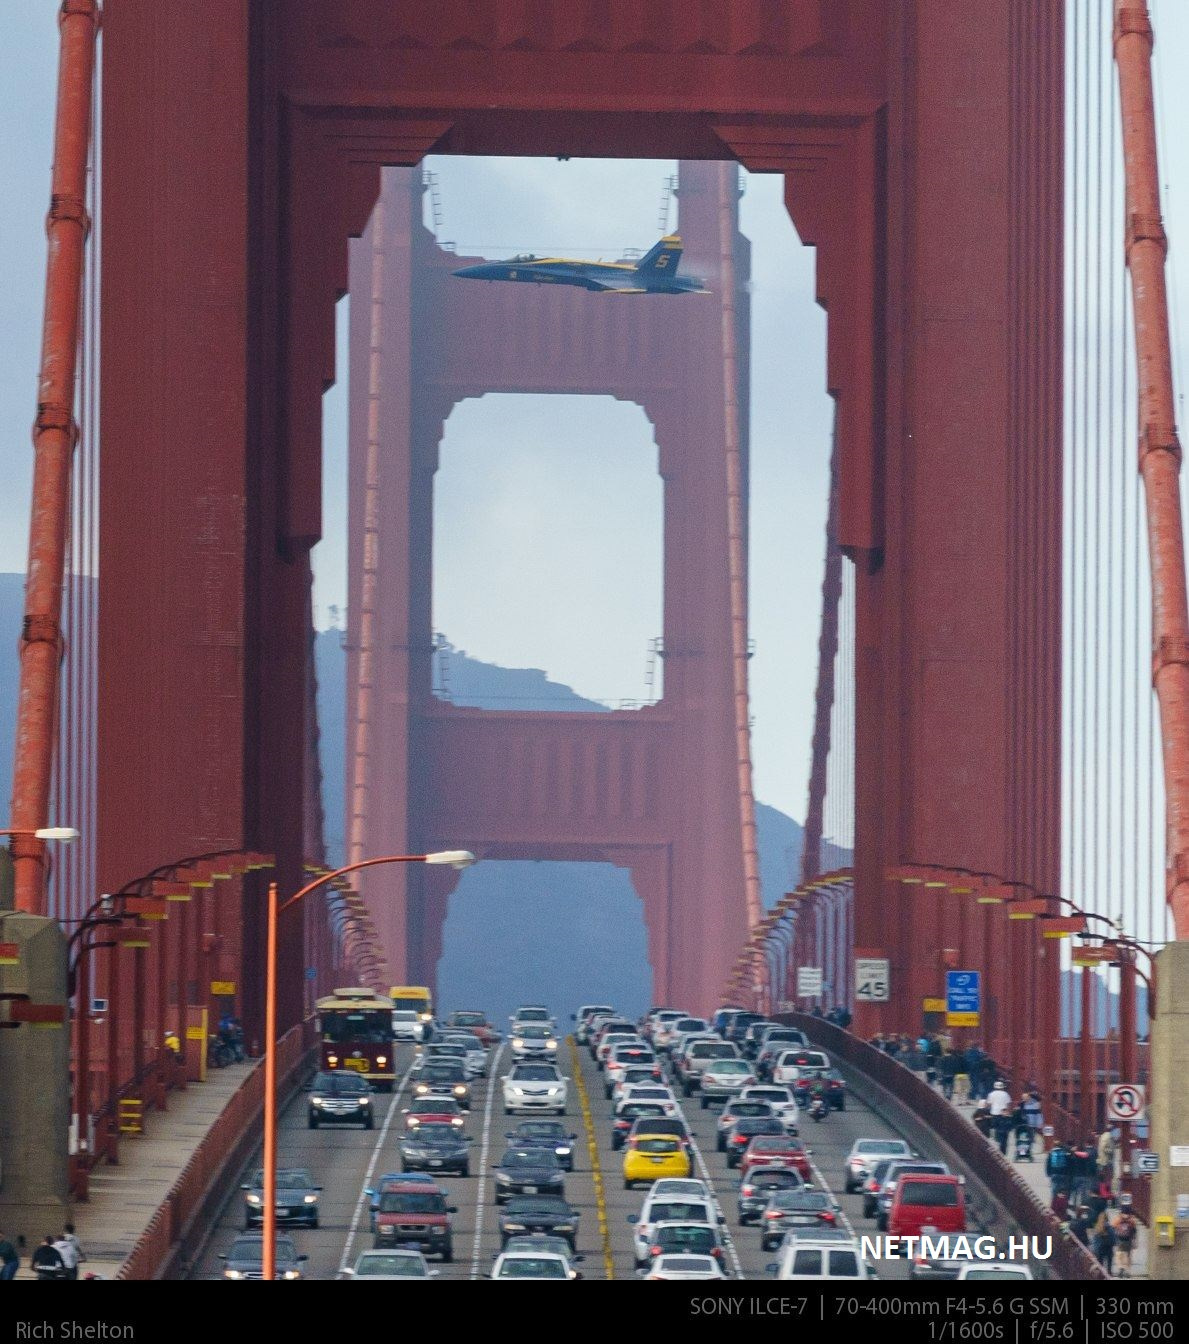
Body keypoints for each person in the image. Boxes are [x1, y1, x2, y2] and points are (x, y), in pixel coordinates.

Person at [1113, 1207, 1138, 1278]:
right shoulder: (1132, 1220)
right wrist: (1135, 1241)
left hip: (1120, 1240)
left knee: (1119, 1255)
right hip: (1128, 1240)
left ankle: (1121, 1269)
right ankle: (1127, 1271)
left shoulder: (1118, 1219)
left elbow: (1113, 1227)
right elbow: (1134, 1231)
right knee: (1128, 1256)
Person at [1091, 1206, 1115, 1274]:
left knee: (1100, 1267)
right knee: (1109, 1266)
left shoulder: (1097, 1228)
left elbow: (1095, 1241)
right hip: (1109, 1249)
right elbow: (1113, 1240)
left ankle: (1101, 1276)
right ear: (1107, 1218)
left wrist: (1094, 1250)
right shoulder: (1110, 1228)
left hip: (1100, 1249)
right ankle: (1109, 1275)